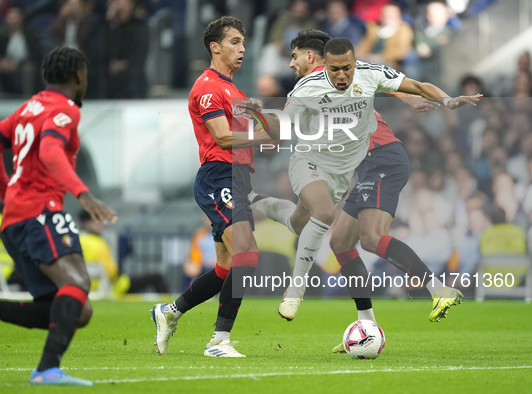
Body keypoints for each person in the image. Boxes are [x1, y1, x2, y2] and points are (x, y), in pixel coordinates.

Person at [248, 34, 480, 329]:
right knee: (340, 241)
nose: (291, 63)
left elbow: (384, 80)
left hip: (381, 158)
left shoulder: (351, 78)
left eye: (295, 56)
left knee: (369, 238)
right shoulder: (310, 91)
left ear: (312, 58)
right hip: (359, 166)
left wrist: (432, 98)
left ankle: (438, 289)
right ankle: (367, 325)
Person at [0, 46, 117, 386]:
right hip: (41, 212)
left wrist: (8, 194)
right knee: (78, 284)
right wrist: (82, 193)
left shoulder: (30, 107)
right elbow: (50, 151)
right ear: (78, 76)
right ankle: (46, 370)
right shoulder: (65, 109)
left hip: (16, 219)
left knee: (75, 310)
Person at [151, 16, 274, 358]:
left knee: (225, 266)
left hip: (237, 177)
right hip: (218, 176)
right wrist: (265, 133)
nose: (242, 49)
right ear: (215, 47)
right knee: (247, 256)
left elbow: (250, 137)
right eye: (234, 42)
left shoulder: (234, 90)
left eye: (243, 43)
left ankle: (170, 312)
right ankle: (219, 341)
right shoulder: (207, 87)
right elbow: (221, 137)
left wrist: (267, 129)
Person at [0, 5, 42, 97]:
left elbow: (35, 54)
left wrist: (17, 64)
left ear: (21, 18)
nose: (13, 20)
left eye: (16, 17)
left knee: (29, 68)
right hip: (6, 63)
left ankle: (27, 99)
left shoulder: (30, 34)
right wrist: (1, 60)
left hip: (23, 64)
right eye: (11, 17)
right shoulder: (1, 34)